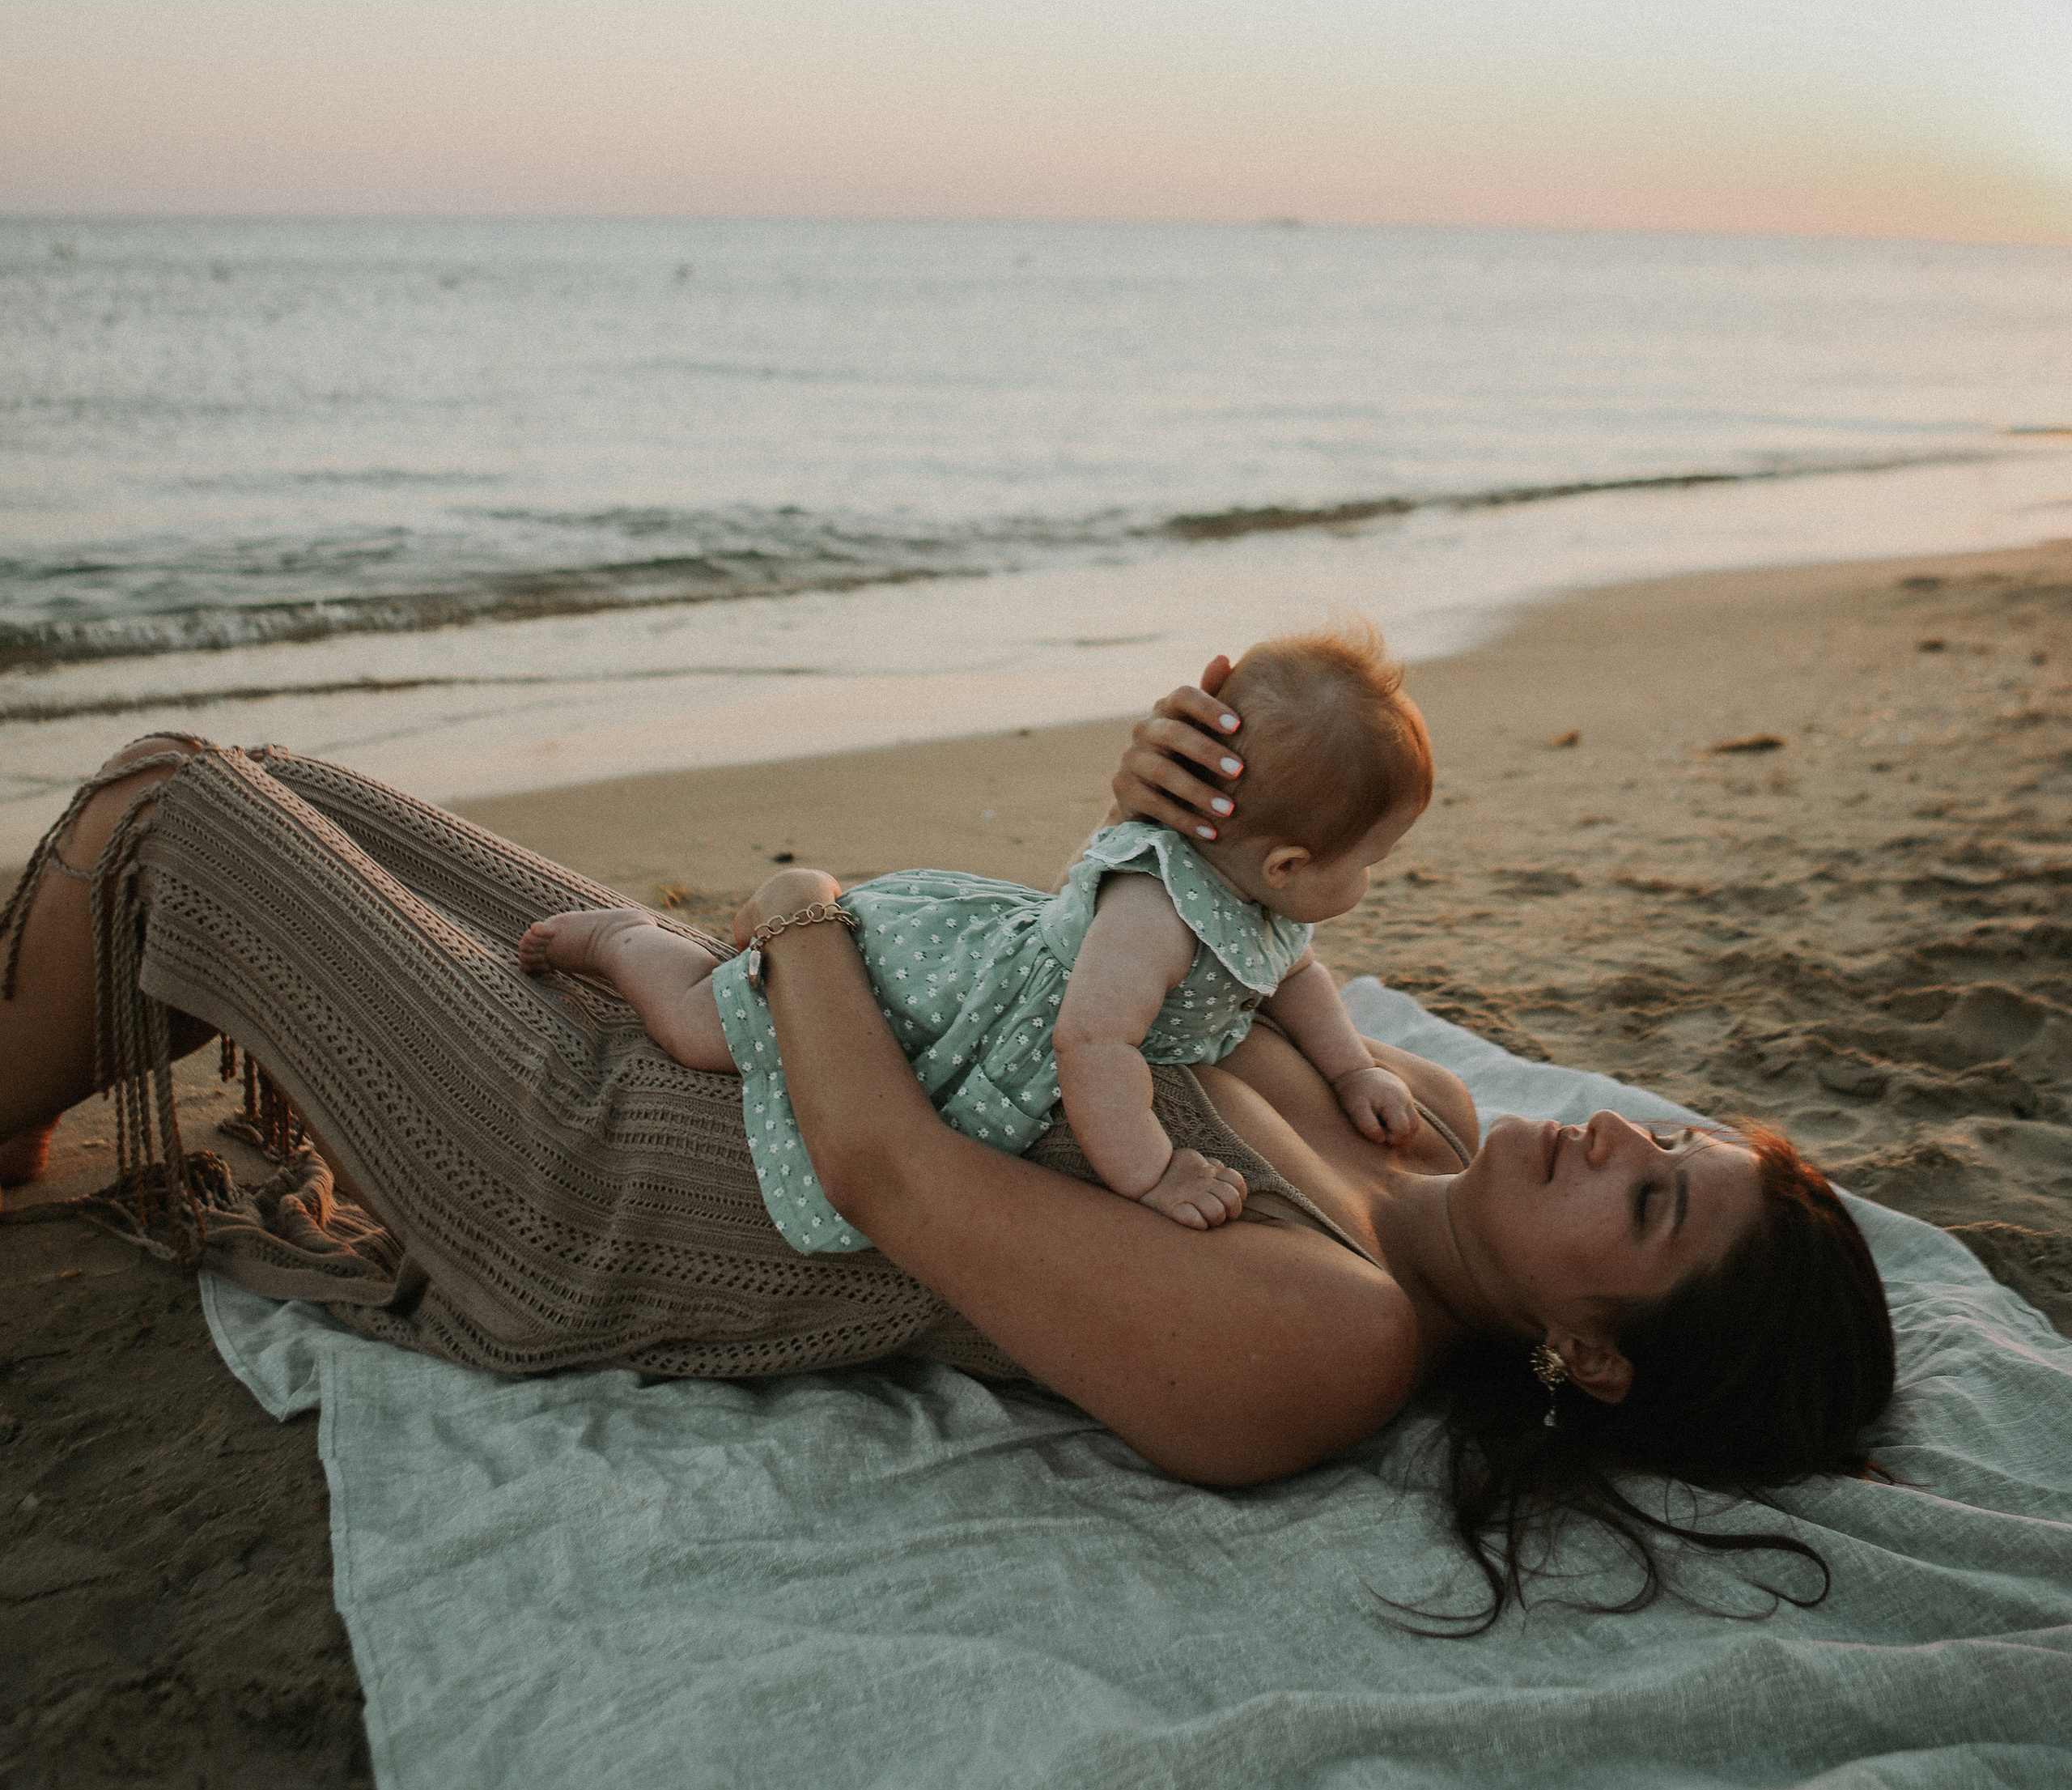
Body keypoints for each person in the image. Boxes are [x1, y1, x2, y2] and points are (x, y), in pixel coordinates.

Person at [0, 667, 1896, 1625]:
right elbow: (1099, 982)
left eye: (1642, 1197)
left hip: (614, 1181)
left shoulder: (1325, 1340)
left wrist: (799, 904)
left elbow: (897, 1175)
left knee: (176, 803)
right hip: (733, 1052)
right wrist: (1168, 811)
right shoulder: (1430, 1120)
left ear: (1592, 1356)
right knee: (295, 787)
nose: (1597, 1132)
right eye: (1654, 1132)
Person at [515, 622, 1433, 1248]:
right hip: (928, 990)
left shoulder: (1262, 904)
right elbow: (1089, 1039)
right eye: (1371, 861)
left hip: (1002, 962)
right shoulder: (1151, 915)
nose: (1368, 880)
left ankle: (705, 946)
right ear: (1284, 865)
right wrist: (1150, 1172)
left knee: (731, 1015)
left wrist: (1351, 1069)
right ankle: (625, 942)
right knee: (702, 1029)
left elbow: (1296, 977)